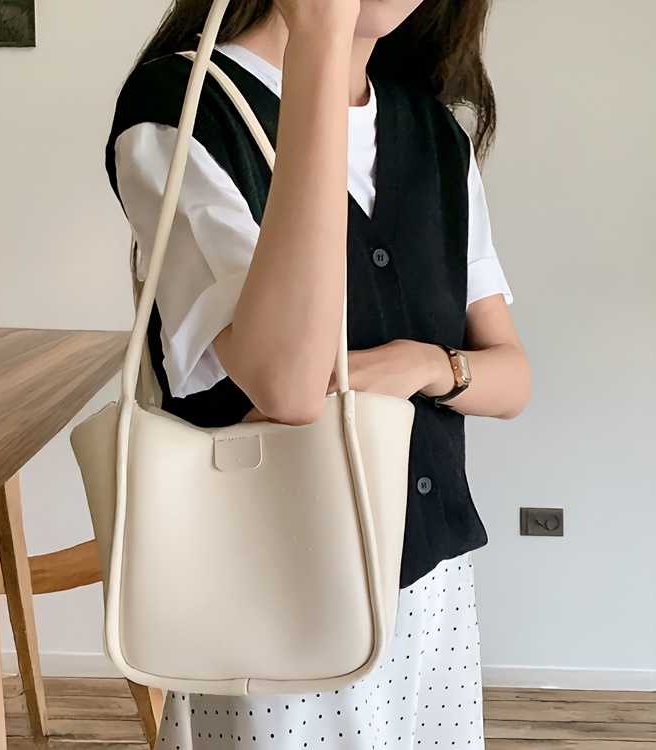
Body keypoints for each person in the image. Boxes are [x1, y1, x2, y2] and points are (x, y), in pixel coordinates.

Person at [105, 0, 532, 747]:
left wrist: (425, 365)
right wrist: (322, 38)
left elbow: (513, 379)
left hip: (431, 590)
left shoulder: (433, 134)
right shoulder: (181, 108)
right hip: (276, 588)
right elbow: (289, 384)